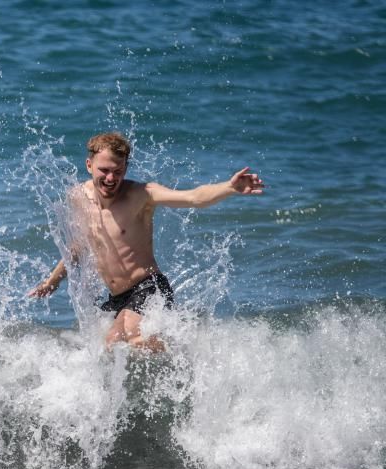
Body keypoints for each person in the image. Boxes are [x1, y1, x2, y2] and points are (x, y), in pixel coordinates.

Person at [28, 132, 264, 351]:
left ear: (126, 168)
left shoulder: (142, 195)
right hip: (117, 297)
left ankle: (187, 364)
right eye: (105, 170)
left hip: (149, 286)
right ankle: (172, 363)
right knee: (108, 347)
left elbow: (193, 197)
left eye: (118, 171)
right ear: (89, 165)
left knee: (129, 336)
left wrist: (229, 187)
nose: (111, 178)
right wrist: (52, 281)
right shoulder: (77, 197)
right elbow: (80, 244)